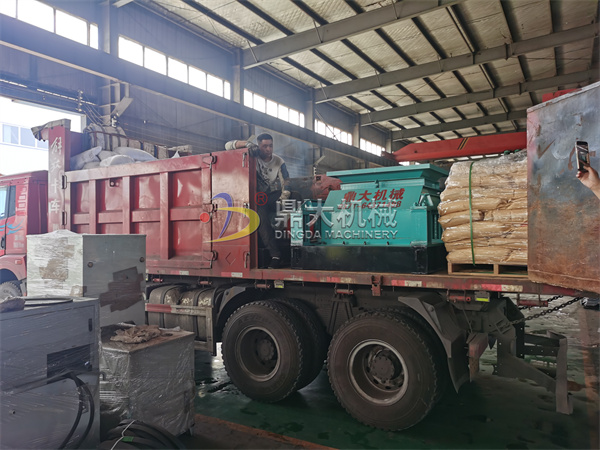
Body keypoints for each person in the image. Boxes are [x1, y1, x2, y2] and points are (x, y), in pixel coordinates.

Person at [225, 133, 290, 268]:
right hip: (254, 198)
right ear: (259, 145)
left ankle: (291, 238)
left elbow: (286, 180)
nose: (268, 149)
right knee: (261, 219)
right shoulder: (252, 155)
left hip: (267, 196)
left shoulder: (279, 161)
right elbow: (227, 145)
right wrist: (247, 144)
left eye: (270, 146)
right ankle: (275, 255)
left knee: (296, 196)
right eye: (264, 146)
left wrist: (285, 196)